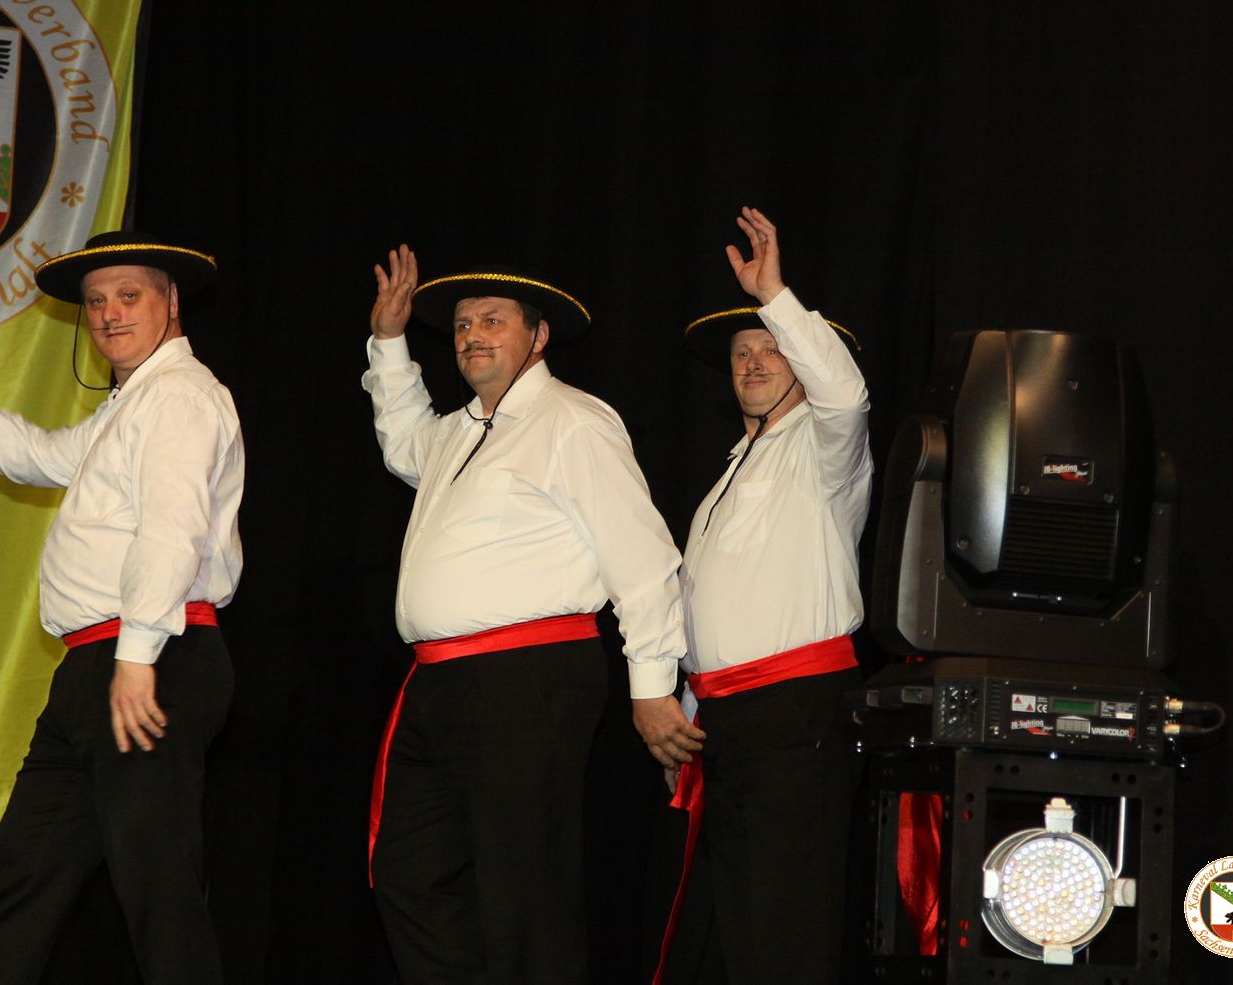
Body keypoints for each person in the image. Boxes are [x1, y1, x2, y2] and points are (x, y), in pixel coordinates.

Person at [0, 229, 245, 985]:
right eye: (96, 302)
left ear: (171, 301)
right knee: (23, 877)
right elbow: (41, 454)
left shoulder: (180, 398)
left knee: (158, 889)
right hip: (99, 666)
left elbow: (172, 530)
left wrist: (138, 659)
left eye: (128, 296)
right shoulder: (130, 406)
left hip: (150, 657)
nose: (108, 314)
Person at [363, 245, 702, 984]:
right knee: (408, 874)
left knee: (521, 889)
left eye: (493, 321)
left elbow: (642, 558)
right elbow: (402, 443)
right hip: (439, 684)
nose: (471, 336)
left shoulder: (571, 421)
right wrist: (389, 341)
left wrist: (651, 687)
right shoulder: (456, 431)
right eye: (461, 325)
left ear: (538, 336)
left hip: (528, 678)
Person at [656, 207, 872, 984]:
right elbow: (705, 607)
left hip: (796, 711)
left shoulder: (825, 451)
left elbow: (846, 395)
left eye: (773, 348)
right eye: (743, 352)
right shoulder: (726, 474)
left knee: (787, 922)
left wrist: (774, 296)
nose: (754, 361)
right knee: (739, 927)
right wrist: (684, 713)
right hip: (726, 718)